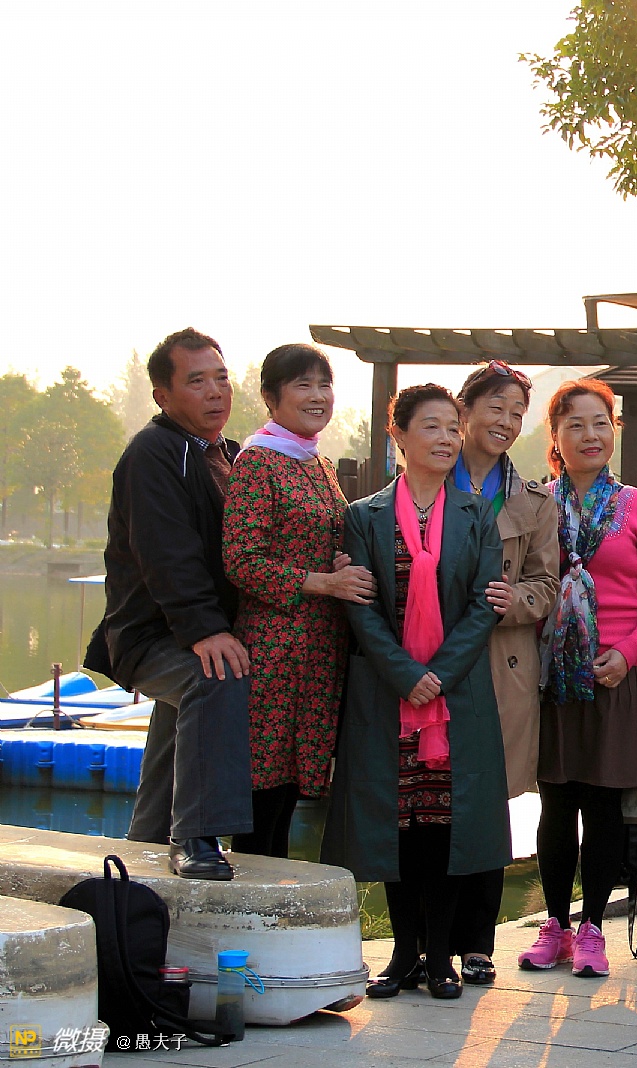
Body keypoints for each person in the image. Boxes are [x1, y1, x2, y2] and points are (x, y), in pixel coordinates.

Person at [321, 384, 511, 1000]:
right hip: (387, 693)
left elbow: (485, 604)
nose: (447, 438)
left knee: (444, 821)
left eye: (453, 427)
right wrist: (406, 674)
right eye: (432, 426)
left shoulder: (477, 514)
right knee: (395, 821)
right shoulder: (364, 516)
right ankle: (405, 952)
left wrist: (439, 676)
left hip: (456, 696)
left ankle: (440, 955)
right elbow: (360, 605)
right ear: (398, 436)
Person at [517, 379, 637, 979]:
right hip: (552, 679)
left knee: (605, 808)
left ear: (614, 431)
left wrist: (630, 652)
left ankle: (592, 929)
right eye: (575, 425)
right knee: (556, 806)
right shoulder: (536, 505)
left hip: (614, 675)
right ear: (555, 436)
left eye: (600, 423)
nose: (590, 435)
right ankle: (555, 926)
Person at [84, 328, 253, 880]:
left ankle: (143, 848)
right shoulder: (153, 454)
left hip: (192, 632)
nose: (216, 392)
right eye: (197, 381)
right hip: (151, 634)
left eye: (221, 378)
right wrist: (205, 630)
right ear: (163, 395)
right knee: (214, 678)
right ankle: (197, 838)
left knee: (179, 725)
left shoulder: (228, 455)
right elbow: (165, 552)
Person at [222, 344, 374, 859]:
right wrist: (324, 583)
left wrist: (338, 563)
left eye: (324, 385)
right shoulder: (257, 461)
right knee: (262, 790)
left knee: (290, 789)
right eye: (303, 385)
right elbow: (242, 560)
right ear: (271, 397)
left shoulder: (317, 462)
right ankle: (250, 897)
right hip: (274, 650)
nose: (318, 396)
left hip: (319, 651)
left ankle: (277, 896)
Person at [448, 360, 560, 985]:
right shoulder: (425, 484)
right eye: (496, 408)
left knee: (488, 806)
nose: (508, 422)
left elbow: (548, 583)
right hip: (437, 661)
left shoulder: (533, 502)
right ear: (464, 412)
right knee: (431, 799)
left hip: (503, 663)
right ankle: (430, 941)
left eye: (518, 412)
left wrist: (511, 600)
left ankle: (477, 942)